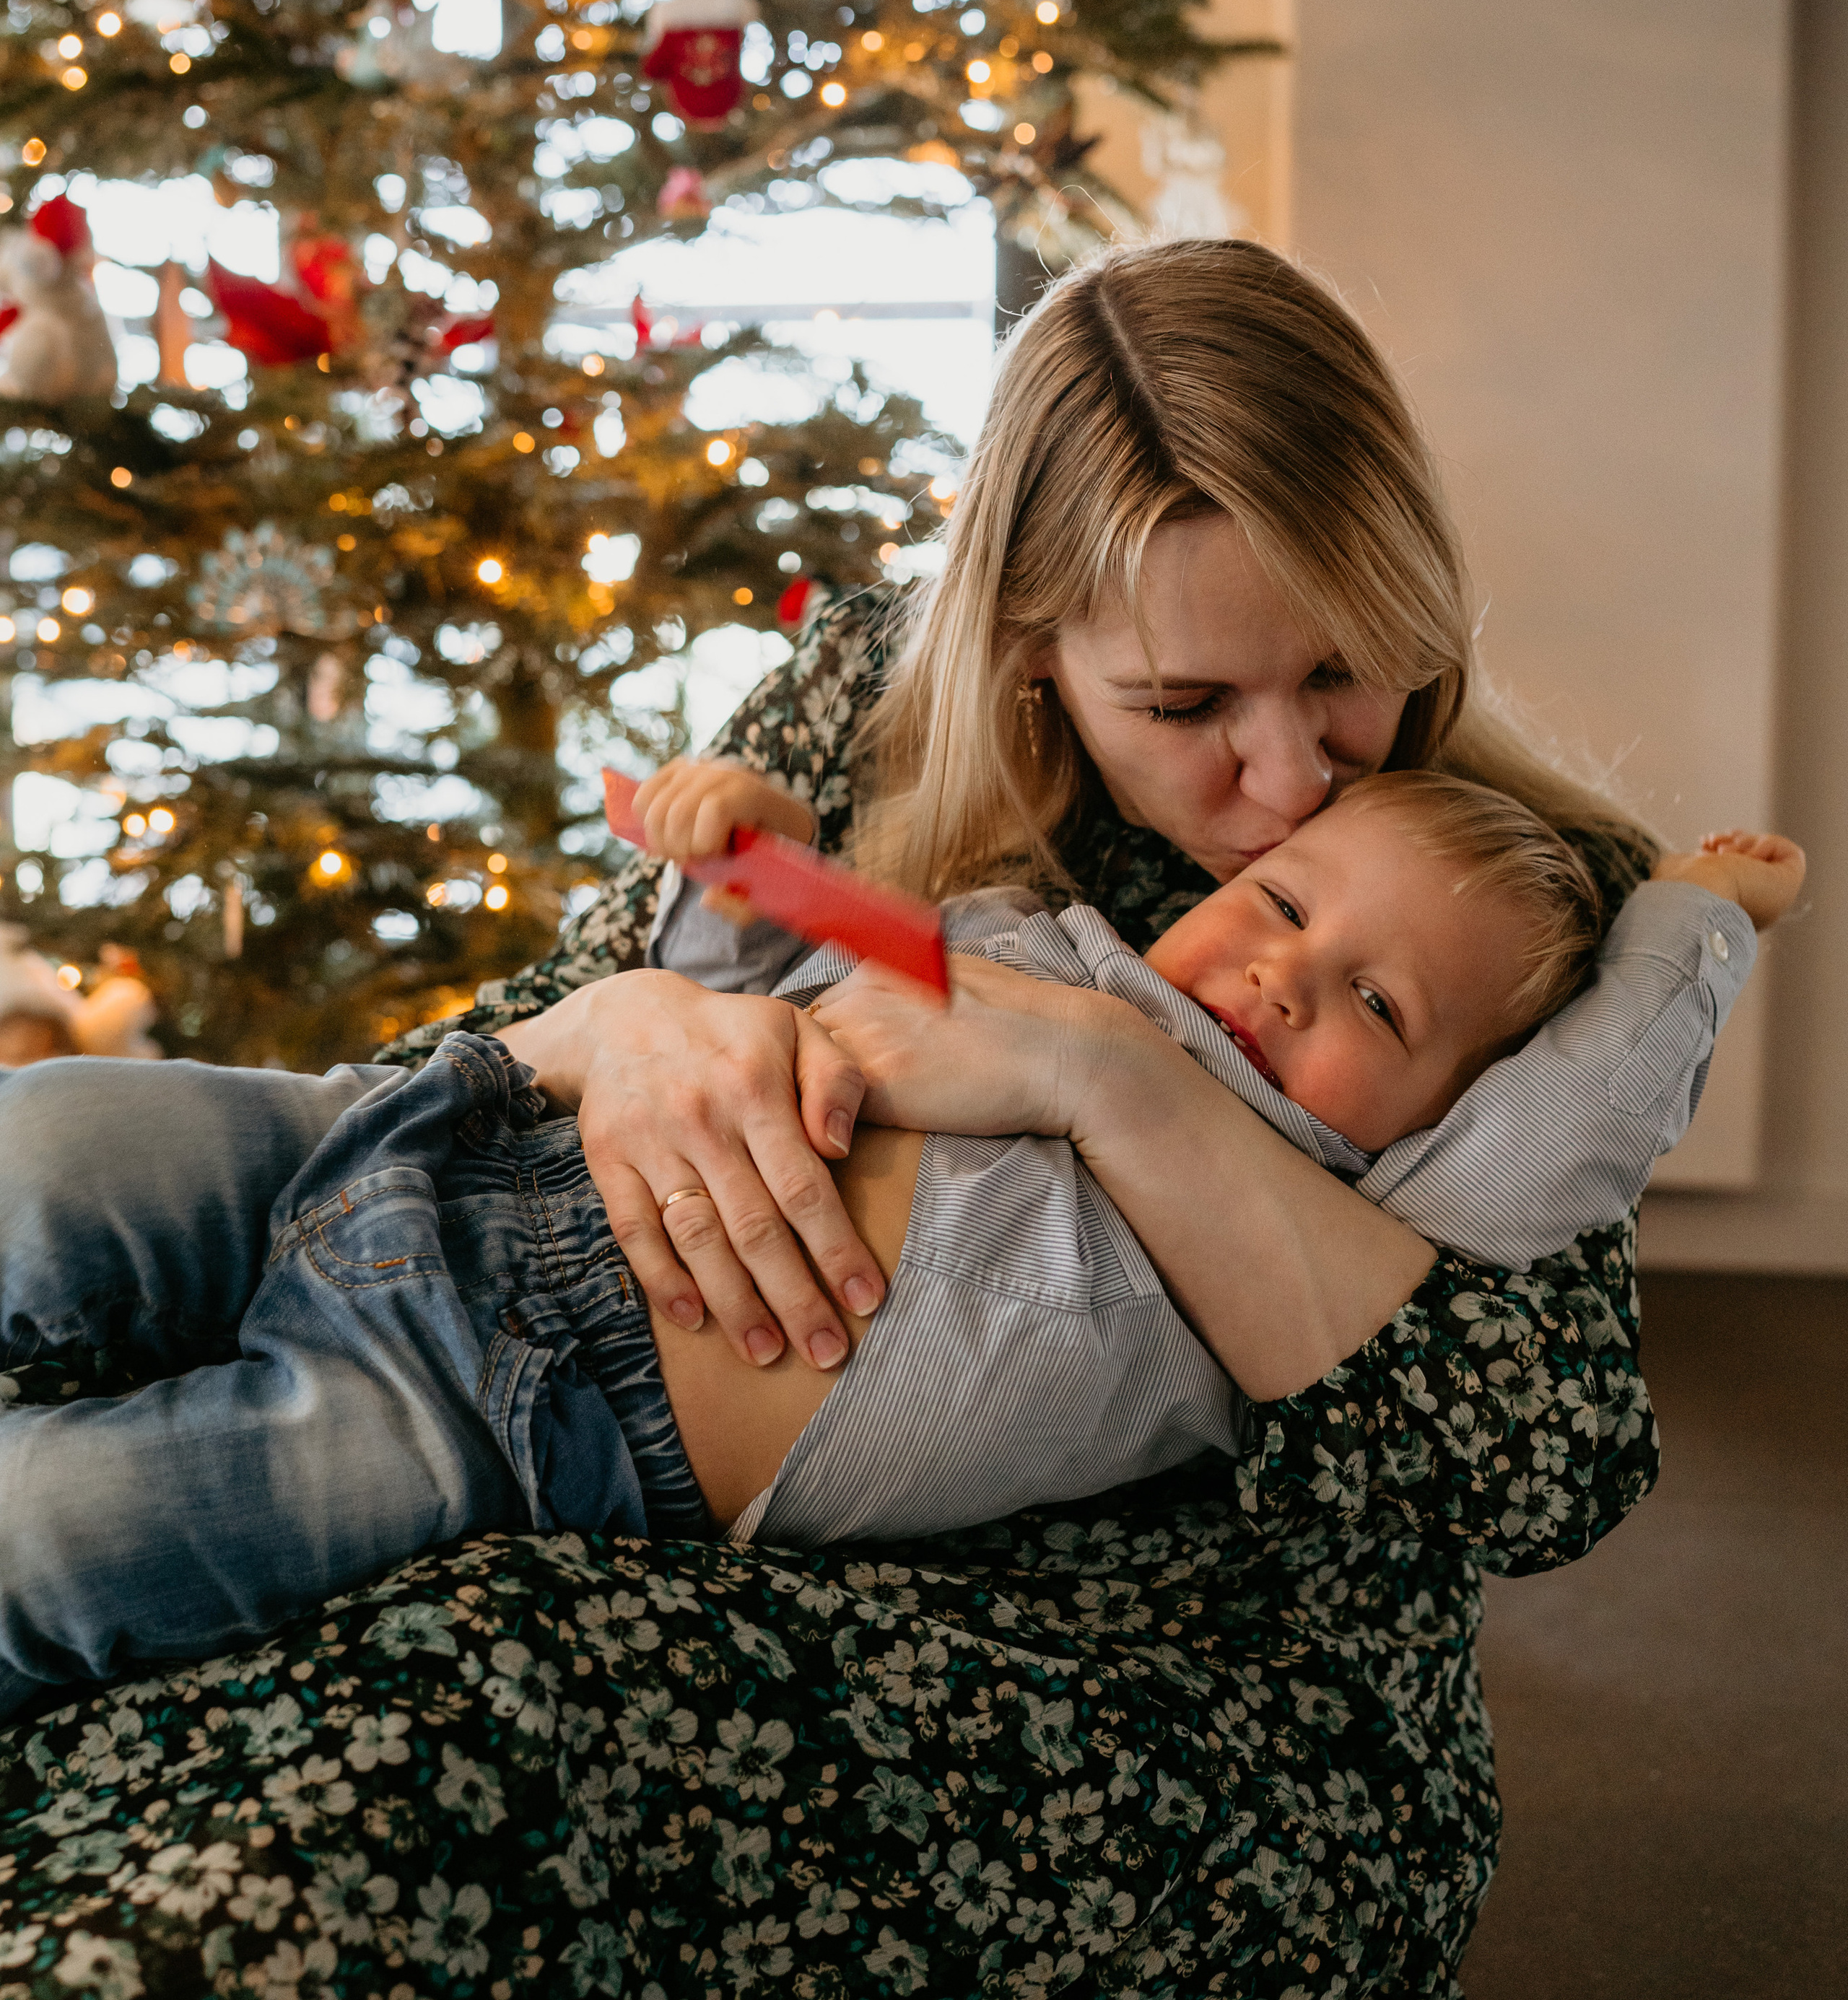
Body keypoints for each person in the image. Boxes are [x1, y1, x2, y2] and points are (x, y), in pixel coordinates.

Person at [0, 240, 1725, 2000]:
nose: (1285, 771)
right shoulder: (880, 689)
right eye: (1187, 698)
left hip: (1155, 1710)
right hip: (544, 1326)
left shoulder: (1500, 904)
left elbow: (1529, 1460)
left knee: (413, 1737)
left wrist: (1114, 1078)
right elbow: (533, 1023)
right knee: (80, 1251)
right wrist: (633, 1019)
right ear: (1030, 651)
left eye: (1345, 667)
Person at [0, 766, 1800, 1721]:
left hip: (515, 1418)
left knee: (66, 1535)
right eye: (1278, 907)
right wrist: (734, 872)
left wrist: (1696, 914)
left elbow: (1590, 1113)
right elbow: (756, 974)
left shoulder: (1350, 1208)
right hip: (438, 1135)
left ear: (1439, 1114)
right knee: (49, 1146)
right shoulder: (1036, 945)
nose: (1275, 974)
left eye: (1374, 1004)